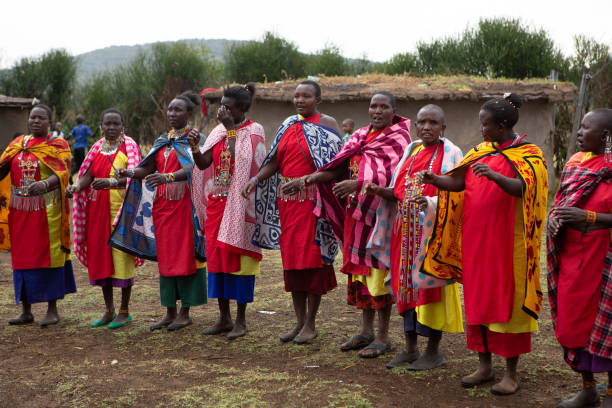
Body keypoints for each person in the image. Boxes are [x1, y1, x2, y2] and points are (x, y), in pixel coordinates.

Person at [417, 93, 547, 395]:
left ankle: (510, 373)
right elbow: (459, 182)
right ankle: (484, 365)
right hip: (477, 241)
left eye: (485, 125)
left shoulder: (529, 154)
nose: (481, 130)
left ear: (501, 126)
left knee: (509, 302)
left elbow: (526, 189)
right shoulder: (479, 151)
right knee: (479, 299)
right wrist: (435, 180)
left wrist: (494, 176)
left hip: (508, 245)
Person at [305, 91, 411, 358]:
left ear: (394, 110)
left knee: (377, 273)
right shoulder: (358, 136)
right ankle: (366, 331)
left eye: (383, 106)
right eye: (373, 106)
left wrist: (360, 184)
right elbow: (339, 168)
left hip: (381, 217)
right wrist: (308, 180)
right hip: (355, 215)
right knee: (361, 274)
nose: (377, 111)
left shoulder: (400, 140)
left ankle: (384, 336)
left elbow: (395, 179)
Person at [364, 104, 464, 369]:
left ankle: (433, 351)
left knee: (431, 292)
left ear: (443, 128)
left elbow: (458, 195)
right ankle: (410, 348)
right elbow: (397, 191)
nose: (427, 127)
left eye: (433, 123)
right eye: (422, 122)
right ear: (416, 126)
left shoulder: (451, 154)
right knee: (404, 289)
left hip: (431, 236)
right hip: (402, 234)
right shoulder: (412, 151)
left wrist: (429, 203)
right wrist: (378, 190)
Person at [242, 80, 342, 344]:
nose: (299, 100)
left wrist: (307, 180)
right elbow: (274, 160)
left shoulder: (328, 125)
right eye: (296, 96)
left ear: (318, 100)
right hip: (287, 206)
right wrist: (256, 179)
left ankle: (311, 323)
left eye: (306, 96)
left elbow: (338, 167)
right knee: (293, 265)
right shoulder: (287, 125)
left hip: (315, 206)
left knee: (312, 264)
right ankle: (298, 322)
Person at [111, 91, 207, 331]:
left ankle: (185, 312)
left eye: (178, 110)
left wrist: (168, 177)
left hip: (185, 206)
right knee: (166, 257)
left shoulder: (195, 139)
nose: (172, 114)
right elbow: (147, 167)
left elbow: (196, 168)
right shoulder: (162, 140)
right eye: (170, 110)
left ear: (189, 114)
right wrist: (129, 173)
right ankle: (169, 312)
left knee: (185, 256)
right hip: (163, 206)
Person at [189, 84, 266, 340]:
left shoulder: (254, 131)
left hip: (241, 206)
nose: (222, 110)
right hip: (217, 205)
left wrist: (231, 129)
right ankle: (223, 318)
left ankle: (241, 321)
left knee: (240, 263)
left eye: (227, 106)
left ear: (242, 108)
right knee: (218, 262)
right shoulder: (217, 132)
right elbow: (203, 164)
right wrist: (194, 148)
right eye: (220, 105)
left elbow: (242, 160)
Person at [547, 109, 612, 408]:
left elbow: (587, 212)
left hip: (606, 264)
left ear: (606, 136)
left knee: (607, 329)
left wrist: (589, 216)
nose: (579, 133)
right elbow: (561, 203)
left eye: (587, 128)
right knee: (574, 324)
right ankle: (589, 390)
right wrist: (554, 220)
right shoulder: (575, 164)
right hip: (574, 260)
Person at [66, 109, 142, 329]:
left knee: (122, 258)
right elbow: (88, 174)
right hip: (97, 210)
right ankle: (108, 310)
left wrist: (110, 184)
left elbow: (134, 177)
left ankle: (124, 310)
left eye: (115, 123)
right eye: (107, 124)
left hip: (121, 210)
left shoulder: (130, 146)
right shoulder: (97, 147)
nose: (111, 127)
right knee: (102, 259)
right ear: (100, 126)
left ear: (122, 126)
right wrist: (77, 186)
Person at [0, 104, 75, 326]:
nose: (35, 121)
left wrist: (44, 184)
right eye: (32, 117)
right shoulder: (17, 144)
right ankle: (26, 310)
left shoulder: (57, 145)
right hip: (20, 211)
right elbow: (3, 167)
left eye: (40, 118)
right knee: (22, 260)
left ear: (49, 123)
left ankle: (52, 309)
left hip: (47, 212)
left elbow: (63, 173)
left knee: (48, 256)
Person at [69, 115, 92, 180]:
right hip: (83, 147)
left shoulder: (75, 128)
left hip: (76, 148)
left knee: (77, 164)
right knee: (85, 163)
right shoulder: (85, 128)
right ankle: (83, 179)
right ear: (83, 121)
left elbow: (69, 135)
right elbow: (91, 135)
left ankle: (71, 174)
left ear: (76, 121)